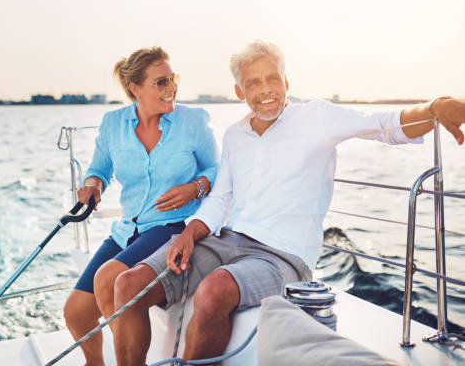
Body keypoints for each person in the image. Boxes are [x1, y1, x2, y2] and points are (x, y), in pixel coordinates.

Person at [111, 40, 465, 365]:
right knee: (128, 285)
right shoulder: (236, 134)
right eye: (253, 83)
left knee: (213, 291)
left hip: (283, 255)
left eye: (273, 79)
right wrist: (189, 233)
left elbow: (385, 125)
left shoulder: (316, 117)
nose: (265, 90)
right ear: (239, 91)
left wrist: (434, 108)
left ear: (286, 82)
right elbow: (221, 197)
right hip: (226, 241)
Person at [63, 46, 219, 366]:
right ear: (135, 89)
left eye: (172, 79)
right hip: (128, 227)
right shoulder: (112, 124)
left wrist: (195, 187)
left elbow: (218, 170)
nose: (171, 87)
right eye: (160, 82)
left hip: (173, 223)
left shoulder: (193, 121)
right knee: (76, 313)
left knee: (108, 278)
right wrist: (93, 185)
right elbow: (99, 169)